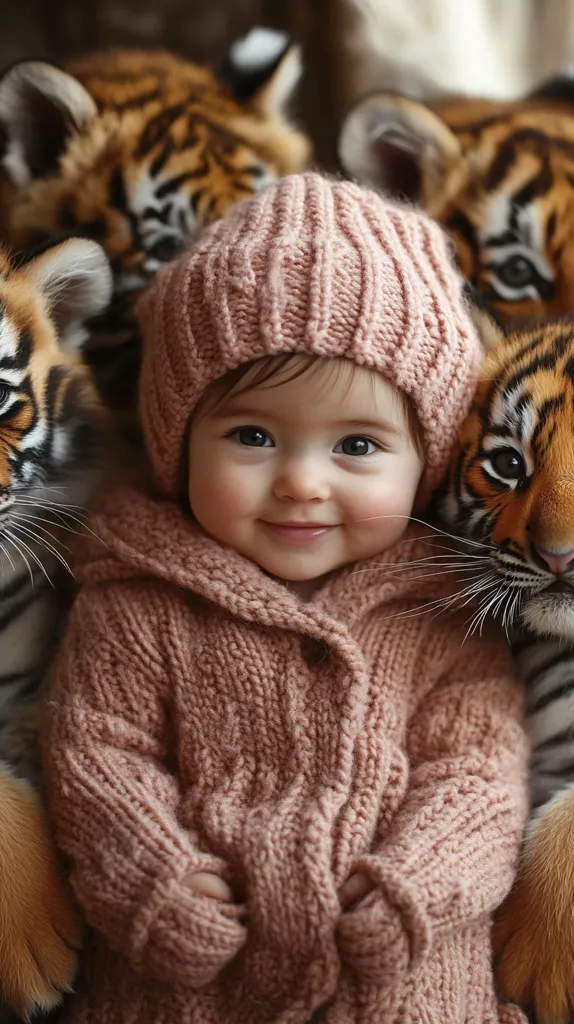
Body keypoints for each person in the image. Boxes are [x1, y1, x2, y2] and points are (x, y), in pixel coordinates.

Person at [43, 172, 528, 1023]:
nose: (303, 482)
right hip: (187, 989)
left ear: (427, 463)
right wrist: (154, 877)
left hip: (401, 987)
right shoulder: (134, 598)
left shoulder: (441, 608)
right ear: (175, 442)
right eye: (253, 436)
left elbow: (479, 773)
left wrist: (421, 882)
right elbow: (96, 756)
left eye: (357, 444)